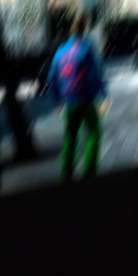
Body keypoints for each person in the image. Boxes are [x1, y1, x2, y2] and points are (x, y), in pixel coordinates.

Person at [48, 13, 110, 182]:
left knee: (70, 135)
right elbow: (96, 75)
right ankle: (89, 171)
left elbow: (52, 78)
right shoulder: (87, 48)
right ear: (85, 29)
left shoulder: (60, 51)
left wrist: (57, 101)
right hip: (86, 100)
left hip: (69, 101)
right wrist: (104, 96)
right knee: (94, 133)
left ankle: (67, 171)